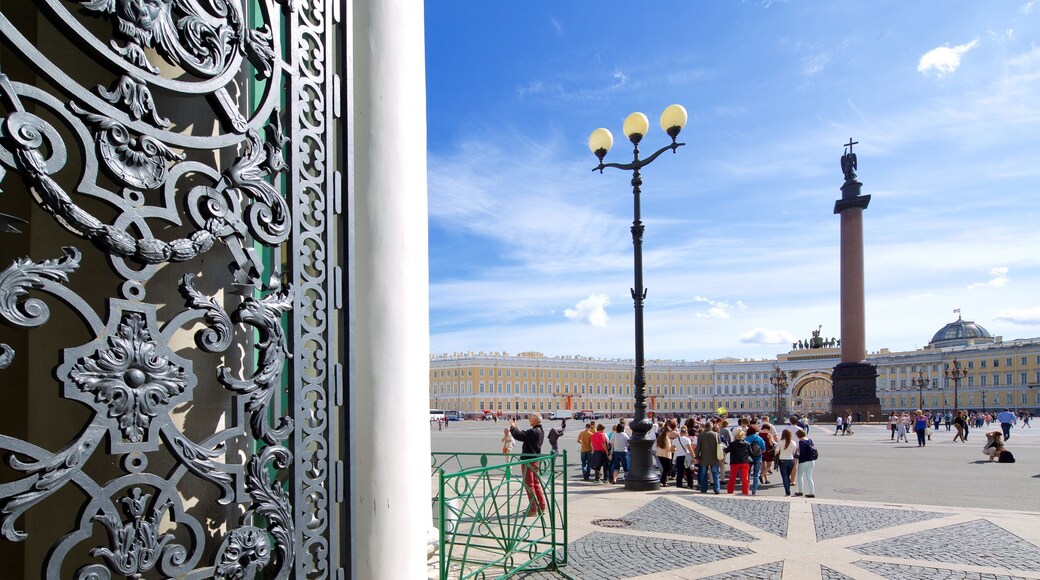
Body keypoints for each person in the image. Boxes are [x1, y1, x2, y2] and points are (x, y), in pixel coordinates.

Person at [509, 414, 547, 516]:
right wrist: (516, 427)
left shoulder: (533, 432)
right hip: (535, 460)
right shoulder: (540, 431)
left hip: (528, 460)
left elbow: (519, 436)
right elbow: (524, 435)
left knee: (529, 485)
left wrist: (512, 426)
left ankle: (533, 509)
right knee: (536, 483)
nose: (529, 420)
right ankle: (542, 507)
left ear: (534, 421)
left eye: (530, 419)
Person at [695, 422, 722, 494]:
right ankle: (717, 489)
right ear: (711, 427)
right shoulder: (716, 434)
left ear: (705, 427)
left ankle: (704, 488)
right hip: (714, 456)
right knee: (715, 473)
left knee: (704, 473)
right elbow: (719, 446)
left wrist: (696, 456)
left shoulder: (701, 435)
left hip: (704, 457)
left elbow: (698, 447)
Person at [725, 428, 752, 495]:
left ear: (735, 436)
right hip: (744, 462)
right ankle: (745, 491)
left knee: (732, 477)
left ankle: (730, 490)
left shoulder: (732, 444)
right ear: (743, 435)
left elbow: (726, 451)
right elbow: (751, 453)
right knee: (745, 478)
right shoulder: (747, 443)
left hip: (735, 462)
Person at [793, 429, 816, 498]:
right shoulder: (810, 440)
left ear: (799, 436)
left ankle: (800, 491)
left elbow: (802, 453)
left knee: (800, 476)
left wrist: (798, 451)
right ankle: (812, 492)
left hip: (803, 461)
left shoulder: (801, 442)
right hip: (811, 461)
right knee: (809, 477)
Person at [745, 425, 766, 496]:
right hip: (758, 457)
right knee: (756, 474)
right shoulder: (759, 438)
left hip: (749, 458)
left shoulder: (747, 438)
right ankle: (754, 490)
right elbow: (764, 449)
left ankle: (746, 489)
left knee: (747, 474)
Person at [776, 428, 797, 497]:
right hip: (791, 460)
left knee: (785, 477)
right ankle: (788, 490)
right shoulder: (793, 442)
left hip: (782, 460)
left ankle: (787, 492)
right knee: (788, 476)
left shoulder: (781, 442)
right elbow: (794, 452)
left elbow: (776, 451)